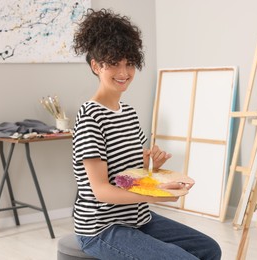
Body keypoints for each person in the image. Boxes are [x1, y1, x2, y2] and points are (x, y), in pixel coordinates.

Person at [71, 8, 222, 260]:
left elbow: (130, 175)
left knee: (209, 249)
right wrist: (157, 194)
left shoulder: (128, 112)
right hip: (102, 228)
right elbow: (101, 191)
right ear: (96, 66)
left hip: (137, 217)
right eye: (114, 63)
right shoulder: (90, 117)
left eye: (129, 63)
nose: (124, 72)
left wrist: (153, 167)